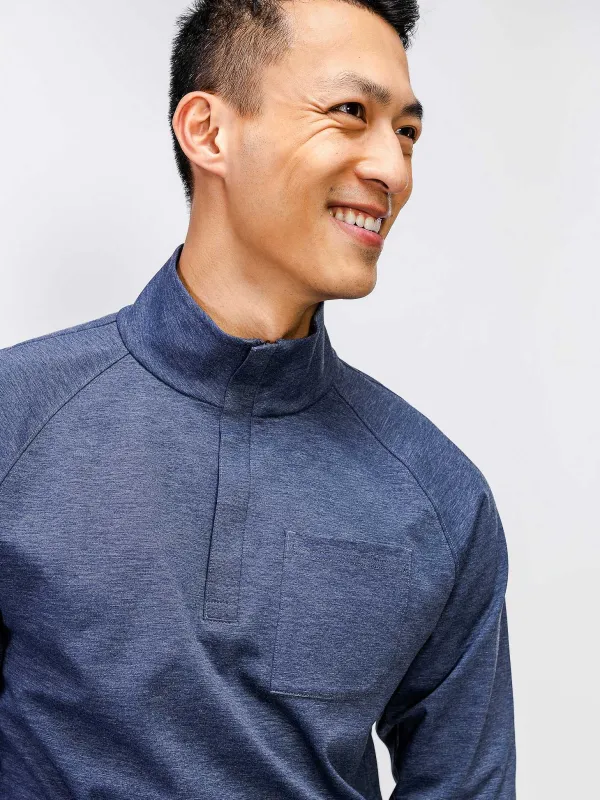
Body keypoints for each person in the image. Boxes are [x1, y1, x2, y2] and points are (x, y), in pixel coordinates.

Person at [0, 0, 516, 797]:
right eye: (352, 112)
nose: (394, 170)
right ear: (208, 132)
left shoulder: (444, 498)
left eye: (408, 132)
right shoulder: (17, 417)